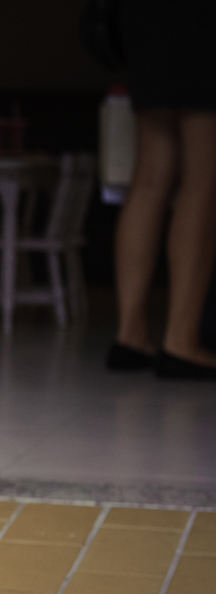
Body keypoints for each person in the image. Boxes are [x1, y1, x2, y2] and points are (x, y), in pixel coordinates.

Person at [107, 0, 216, 379]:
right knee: (203, 180)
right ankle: (181, 339)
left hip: (143, 18)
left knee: (150, 177)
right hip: (199, 21)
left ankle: (130, 334)